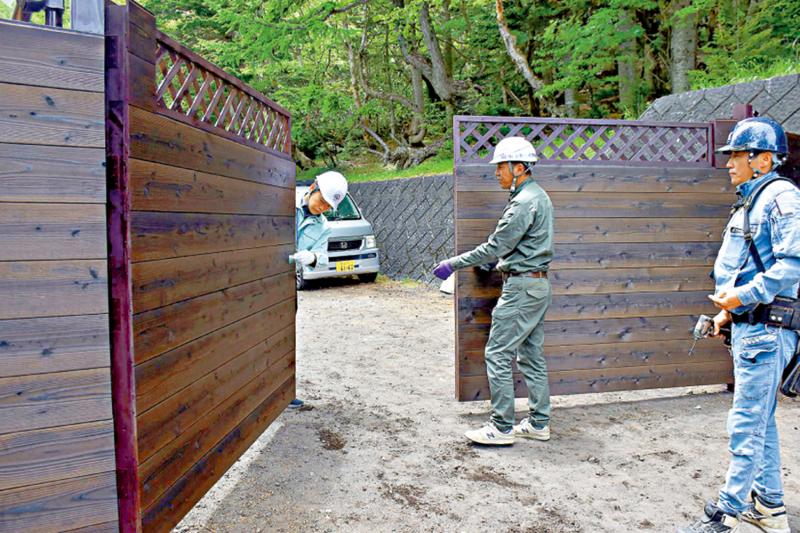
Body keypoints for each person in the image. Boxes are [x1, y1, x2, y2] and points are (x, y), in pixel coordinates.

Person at [679, 117, 799, 533]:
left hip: (767, 330)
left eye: (736, 156)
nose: (729, 164)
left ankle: (725, 515)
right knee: (760, 419)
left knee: (746, 421)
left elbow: (792, 265)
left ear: (762, 159)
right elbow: (752, 264)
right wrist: (727, 312)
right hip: (752, 327)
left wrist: (741, 298)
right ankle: (769, 508)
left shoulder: (780, 196)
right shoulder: (755, 198)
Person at [433, 137, 554, 445]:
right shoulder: (537, 197)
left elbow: (495, 246)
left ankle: (501, 428)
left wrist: (453, 263)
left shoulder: (524, 203)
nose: (497, 173)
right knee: (531, 355)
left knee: (498, 352)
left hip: (522, 288)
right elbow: (516, 246)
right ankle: (539, 423)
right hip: (536, 285)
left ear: (519, 168)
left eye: (501, 167)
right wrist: (500, 262)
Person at [289, 171, 348, 408]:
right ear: (312, 187)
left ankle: (284, 392)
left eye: (328, 205)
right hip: (259, 275)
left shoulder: (323, 227)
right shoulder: (283, 200)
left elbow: (323, 258)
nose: (323, 207)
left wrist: (312, 256)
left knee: (285, 336)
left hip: (286, 281)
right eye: (321, 200)